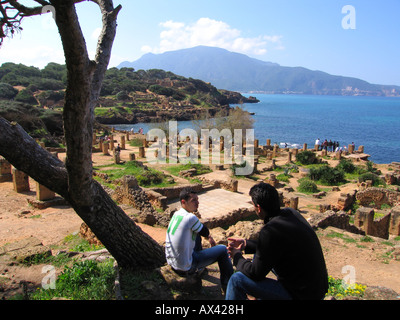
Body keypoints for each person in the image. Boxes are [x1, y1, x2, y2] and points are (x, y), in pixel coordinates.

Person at [226, 182, 328, 300]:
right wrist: (246, 244)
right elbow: (271, 248)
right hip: (316, 288)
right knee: (258, 257)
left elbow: (256, 273)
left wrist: (237, 256)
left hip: (301, 296)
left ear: (258, 208)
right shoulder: (291, 213)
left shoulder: (270, 231)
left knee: (236, 280)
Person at [165, 187, 233, 292]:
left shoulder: (177, 214)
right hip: (186, 266)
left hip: (173, 262)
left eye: (197, 199)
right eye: (193, 200)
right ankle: (228, 285)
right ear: (184, 202)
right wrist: (209, 236)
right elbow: (205, 231)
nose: (197, 203)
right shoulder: (190, 218)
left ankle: (200, 265)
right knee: (223, 250)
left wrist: (208, 236)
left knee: (196, 234)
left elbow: (202, 232)